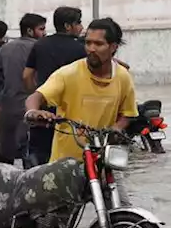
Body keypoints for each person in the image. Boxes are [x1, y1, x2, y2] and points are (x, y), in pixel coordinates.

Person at [24, 17, 139, 163]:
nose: (91, 49)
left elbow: (128, 113)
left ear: (113, 47)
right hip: (65, 164)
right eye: (88, 42)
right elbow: (36, 97)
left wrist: (116, 128)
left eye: (98, 44)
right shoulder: (67, 74)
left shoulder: (123, 77)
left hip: (101, 159)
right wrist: (33, 112)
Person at [23, 6, 86, 166]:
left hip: (43, 110)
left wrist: (38, 94)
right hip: (71, 111)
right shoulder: (81, 49)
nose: (81, 27)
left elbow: (27, 75)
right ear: (67, 26)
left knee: (38, 155)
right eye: (78, 23)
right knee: (70, 159)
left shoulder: (40, 45)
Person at [0, 12, 47, 165]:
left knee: (5, 154)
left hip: (9, 105)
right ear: (29, 31)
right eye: (41, 29)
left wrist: (6, 89)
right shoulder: (40, 48)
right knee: (31, 155)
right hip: (34, 107)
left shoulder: (6, 48)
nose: (44, 33)